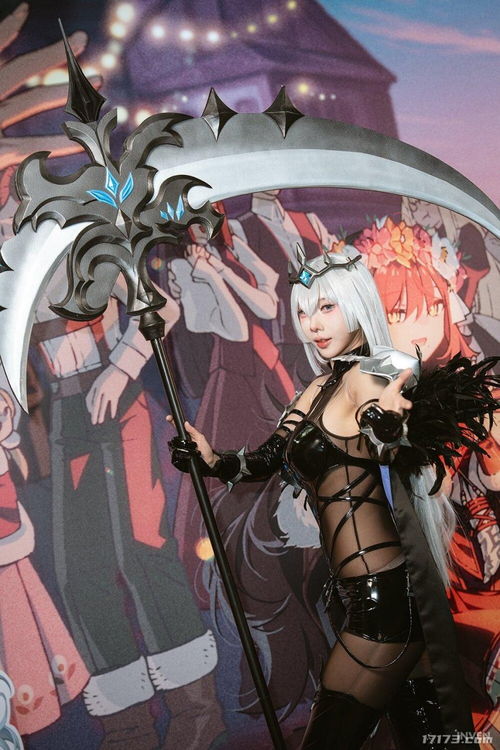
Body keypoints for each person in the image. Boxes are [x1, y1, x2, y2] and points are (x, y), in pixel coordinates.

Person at [168, 246, 498, 749]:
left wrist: (388, 424)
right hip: (363, 598)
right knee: (428, 738)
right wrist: (213, 460)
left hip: (384, 603)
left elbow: (387, 419)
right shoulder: (318, 388)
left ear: (357, 304)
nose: (313, 325)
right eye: (304, 312)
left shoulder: (372, 373)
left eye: (326, 307)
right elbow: (266, 459)